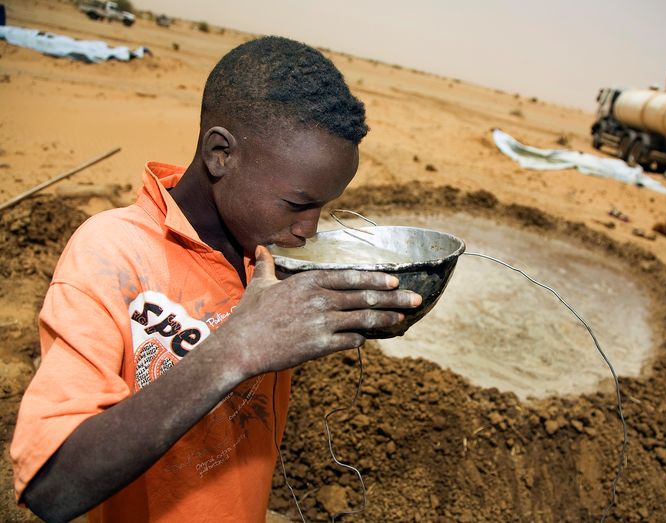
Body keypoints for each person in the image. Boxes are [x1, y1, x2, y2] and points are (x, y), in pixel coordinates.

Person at [10, 36, 422, 522]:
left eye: (323, 207)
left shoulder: (267, 255)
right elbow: (51, 486)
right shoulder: (112, 254)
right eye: (297, 204)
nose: (309, 229)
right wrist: (235, 349)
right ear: (220, 154)